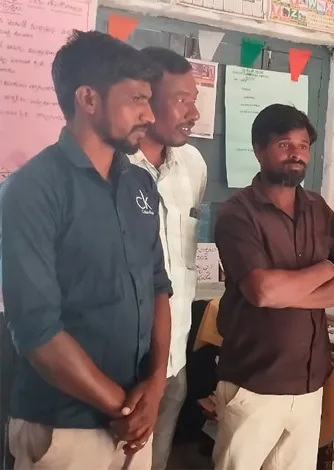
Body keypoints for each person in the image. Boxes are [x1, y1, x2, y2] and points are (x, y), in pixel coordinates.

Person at [1, 31, 172, 469]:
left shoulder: (139, 184)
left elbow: (158, 286)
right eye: (137, 99)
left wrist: (154, 387)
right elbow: (37, 329)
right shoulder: (32, 190)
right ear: (88, 99)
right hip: (64, 429)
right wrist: (123, 407)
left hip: (135, 422)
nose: (150, 115)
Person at [212, 104, 334, 470]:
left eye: (303, 145)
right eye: (284, 144)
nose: (296, 153)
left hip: (309, 382)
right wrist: (326, 268)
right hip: (254, 383)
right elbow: (263, 291)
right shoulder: (237, 213)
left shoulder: (319, 209)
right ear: (258, 149)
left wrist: (288, 294)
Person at [128, 46, 206, 470]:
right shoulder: (113, 166)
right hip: (120, 366)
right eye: (181, 100)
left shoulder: (193, 165)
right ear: (144, 99)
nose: (194, 113)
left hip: (174, 361)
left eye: (194, 99)